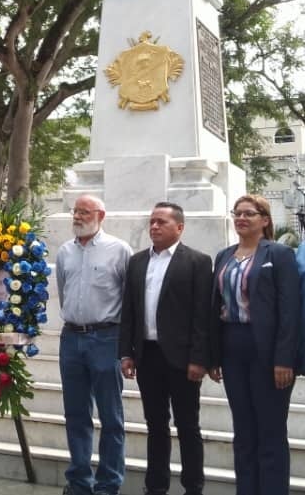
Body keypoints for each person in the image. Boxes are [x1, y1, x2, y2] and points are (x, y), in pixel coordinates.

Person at [209, 194, 300, 495]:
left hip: (268, 349)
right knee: (244, 431)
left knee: (270, 431)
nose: (241, 218)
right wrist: (213, 355)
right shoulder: (223, 256)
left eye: (249, 213)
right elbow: (214, 308)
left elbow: (290, 312)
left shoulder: (279, 254)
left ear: (265, 219)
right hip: (232, 345)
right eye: (237, 213)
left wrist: (284, 358)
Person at [119, 202, 212, 495]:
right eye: (152, 222)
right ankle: (156, 486)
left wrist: (199, 358)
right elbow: (129, 311)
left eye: (161, 222)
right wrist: (126, 352)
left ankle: (193, 487)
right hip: (147, 356)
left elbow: (202, 314)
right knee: (155, 424)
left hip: (183, 359)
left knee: (187, 425)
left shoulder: (197, 261)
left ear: (179, 227)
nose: (154, 227)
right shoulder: (136, 262)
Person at [55, 194, 132, 495]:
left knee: (111, 416)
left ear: (101, 215)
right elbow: (63, 291)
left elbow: (129, 299)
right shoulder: (64, 252)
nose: (77, 217)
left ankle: (108, 484)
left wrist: (127, 346)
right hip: (71, 337)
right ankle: (79, 481)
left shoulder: (119, 250)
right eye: (75, 212)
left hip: (107, 338)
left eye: (84, 212)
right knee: (75, 413)